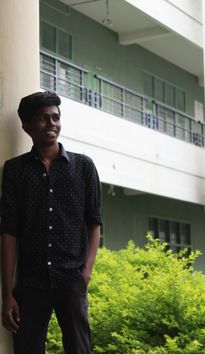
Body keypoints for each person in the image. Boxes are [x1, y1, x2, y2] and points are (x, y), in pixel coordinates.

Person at [0, 91, 102, 354]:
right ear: (27, 126)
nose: (51, 124)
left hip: (71, 278)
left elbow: (94, 222)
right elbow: (9, 232)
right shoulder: (14, 170)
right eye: (43, 119)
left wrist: (86, 272)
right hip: (30, 282)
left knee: (79, 349)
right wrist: (7, 293)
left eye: (55, 118)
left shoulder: (83, 167)